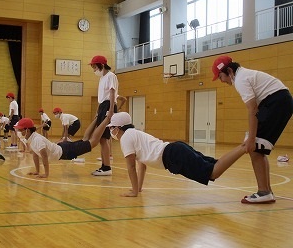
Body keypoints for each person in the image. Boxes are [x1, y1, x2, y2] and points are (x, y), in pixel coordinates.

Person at [212, 55, 293, 204]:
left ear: (229, 71)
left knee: (255, 146)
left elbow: (252, 109)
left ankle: (264, 192)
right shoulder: (243, 75)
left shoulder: (241, 80)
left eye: (221, 77)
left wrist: (251, 139)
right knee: (258, 148)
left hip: (276, 102)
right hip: (277, 102)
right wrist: (251, 138)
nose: (222, 81)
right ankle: (266, 191)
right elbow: (256, 109)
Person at [107, 112, 246, 197]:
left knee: (213, 173)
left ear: (118, 128)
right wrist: (138, 188)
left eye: (112, 128)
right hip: (175, 149)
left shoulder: (125, 138)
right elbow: (141, 166)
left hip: (173, 156)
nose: (111, 131)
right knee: (214, 165)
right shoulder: (135, 133)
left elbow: (131, 167)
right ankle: (244, 146)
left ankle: (244, 147)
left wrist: (134, 192)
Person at [14, 114, 111, 178]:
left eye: (20, 129)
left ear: (27, 130)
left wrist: (46, 174)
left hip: (66, 152)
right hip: (63, 148)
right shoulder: (31, 138)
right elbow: (35, 155)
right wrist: (37, 171)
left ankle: (106, 119)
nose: (18, 131)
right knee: (85, 139)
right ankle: (97, 118)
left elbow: (43, 156)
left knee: (92, 142)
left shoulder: (36, 140)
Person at [89, 55, 119, 176]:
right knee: (101, 139)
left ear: (101, 65)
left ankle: (107, 167)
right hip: (103, 106)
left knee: (103, 138)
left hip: (108, 106)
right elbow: (101, 99)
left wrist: (111, 110)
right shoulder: (102, 78)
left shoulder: (111, 76)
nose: (94, 69)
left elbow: (112, 92)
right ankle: (104, 166)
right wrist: (98, 111)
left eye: (94, 66)